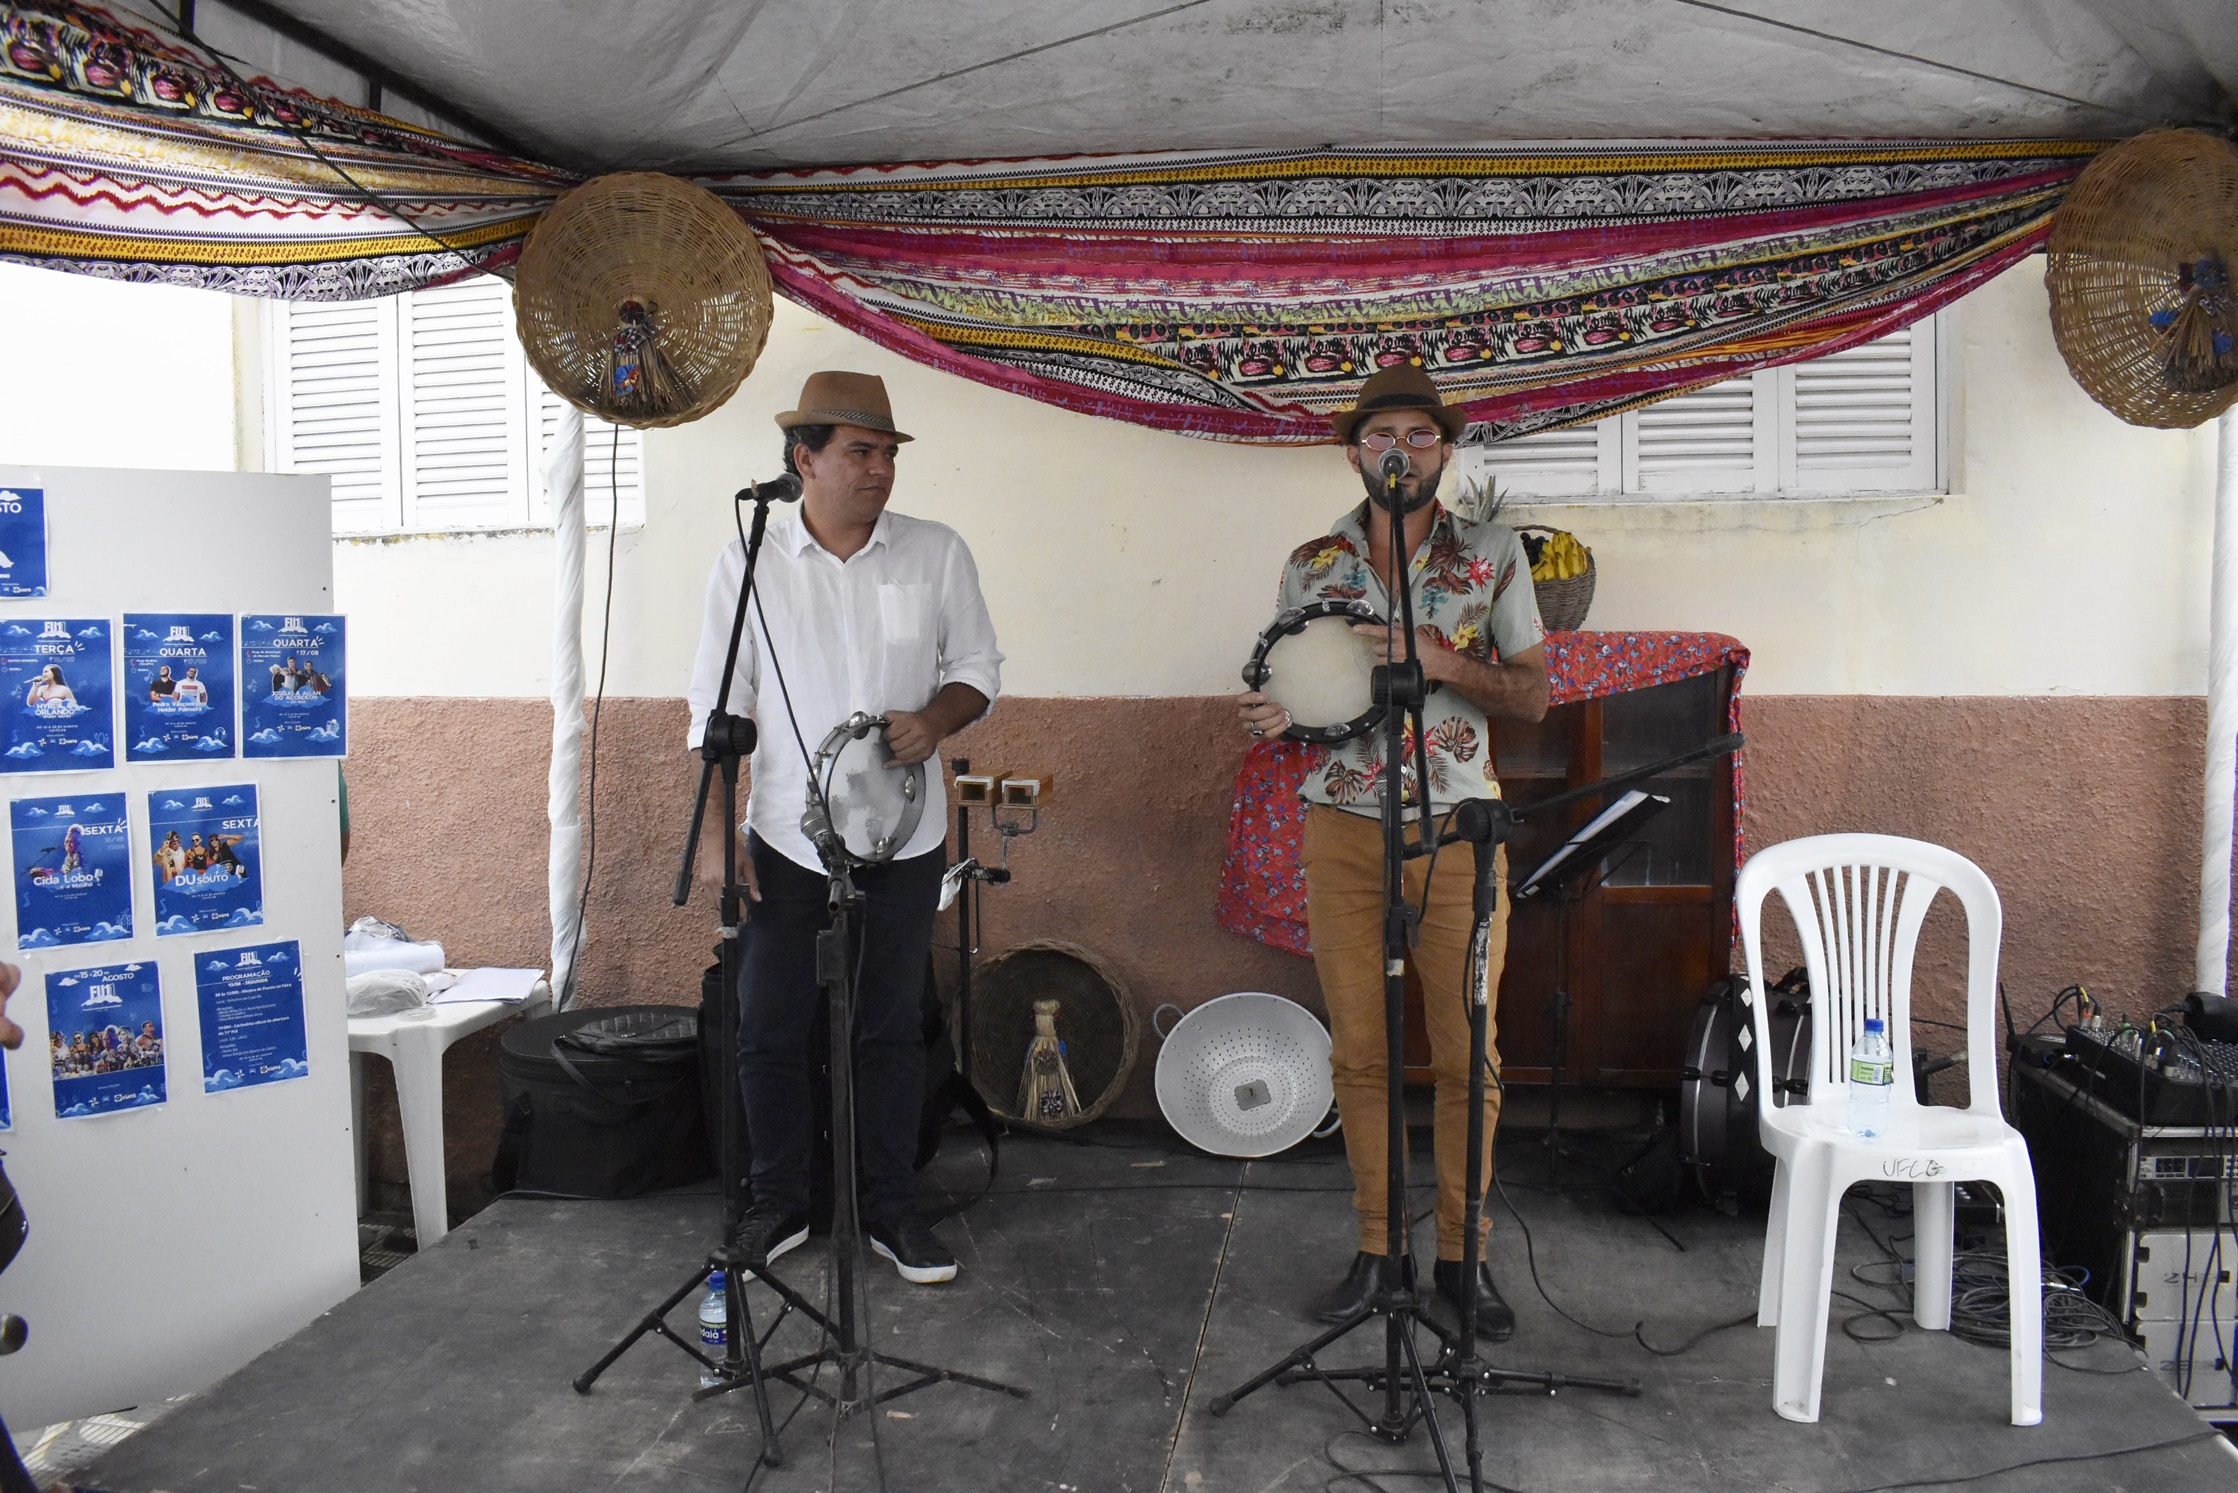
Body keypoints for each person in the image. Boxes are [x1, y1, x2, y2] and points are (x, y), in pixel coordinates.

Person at [1235, 365, 1549, 1339]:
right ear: (1354, 453)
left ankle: (1463, 1255)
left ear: (1444, 450)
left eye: (1419, 435)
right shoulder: (1311, 561)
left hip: (1458, 826)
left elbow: (1534, 694)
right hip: (1341, 827)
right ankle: (1379, 1251)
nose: (1399, 451)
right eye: (1381, 436)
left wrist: (1440, 662)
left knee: (1467, 1053)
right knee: (1362, 1053)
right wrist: (1278, 715)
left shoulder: (1492, 554)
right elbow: (1303, 686)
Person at [687, 371, 1003, 1286]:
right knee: (769, 1026)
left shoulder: (936, 551)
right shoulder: (750, 560)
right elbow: (718, 707)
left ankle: (891, 1206)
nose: (880, 469)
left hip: (905, 837)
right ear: (805, 460)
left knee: (890, 1027)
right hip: (788, 839)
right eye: (860, 451)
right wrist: (718, 836)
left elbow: (978, 667)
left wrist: (936, 720)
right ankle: (779, 1200)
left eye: (888, 453)